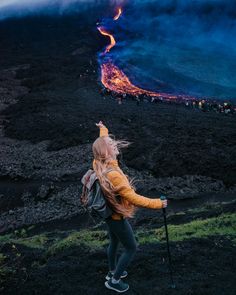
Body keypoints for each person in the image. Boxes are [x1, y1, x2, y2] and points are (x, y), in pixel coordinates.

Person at [92, 121, 168, 293]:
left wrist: (102, 129)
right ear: (106, 151)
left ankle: (112, 271)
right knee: (131, 248)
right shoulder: (114, 175)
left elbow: (102, 138)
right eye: (111, 144)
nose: (114, 143)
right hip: (117, 217)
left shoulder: (98, 162)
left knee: (114, 241)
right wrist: (158, 203)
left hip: (109, 214)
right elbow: (133, 198)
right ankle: (114, 280)